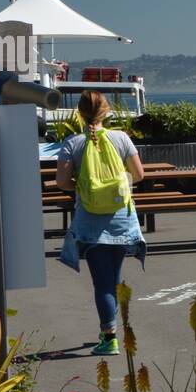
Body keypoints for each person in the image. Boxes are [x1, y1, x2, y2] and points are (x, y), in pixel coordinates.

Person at [55, 90, 147, 355]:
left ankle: (109, 337)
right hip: (121, 218)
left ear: (80, 113)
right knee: (114, 279)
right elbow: (138, 175)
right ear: (106, 111)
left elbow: (62, 182)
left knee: (102, 283)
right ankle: (112, 328)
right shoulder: (121, 138)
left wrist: (84, 187)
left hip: (89, 221)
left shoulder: (72, 143)